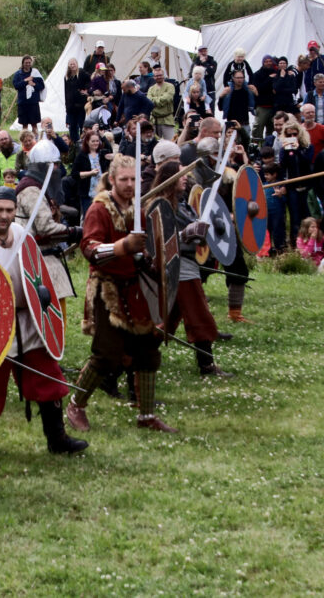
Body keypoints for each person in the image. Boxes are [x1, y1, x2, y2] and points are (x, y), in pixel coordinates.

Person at [0, 187, 87, 454]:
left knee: (49, 376)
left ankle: (57, 439)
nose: (5, 216)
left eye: (9, 210)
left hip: (28, 319)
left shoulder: (21, 234)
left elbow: (36, 276)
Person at [65, 154, 175, 433]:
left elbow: (144, 252)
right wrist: (123, 246)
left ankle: (146, 416)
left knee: (148, 350)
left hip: (133, 286)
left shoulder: (136, 209)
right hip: (107, 287)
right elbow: (89, 248)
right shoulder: (98, 210)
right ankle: (76, 404)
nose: (129, 184)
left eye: (133, 179)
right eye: (123, 179)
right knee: (106, 354)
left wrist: (150, 259)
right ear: (112, 180)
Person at [154, 161, 233, 378]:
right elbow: (158, 243)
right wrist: (185, 235)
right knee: (199, 313)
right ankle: (206, 366)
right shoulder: (160, 206)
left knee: (165, 322)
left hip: (188, 263)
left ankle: (128, 360)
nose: (184, 178)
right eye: (179, 175)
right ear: (168, 178)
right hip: (176, 267)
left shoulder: (183, 204)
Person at [15, 140, 81, 314]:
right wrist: (73, 232)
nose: (58, 169)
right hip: (37, 256)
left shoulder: (38, 186)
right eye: (56, 165)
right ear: (46, 166)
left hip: (45, 252)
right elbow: (45, 227)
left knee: (58, 302)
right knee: (52, 306)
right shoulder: (31, 190)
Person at [73, 131, 103, 216]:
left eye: (97, 141)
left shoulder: (102, 153)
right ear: (87, 142)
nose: (95, 143)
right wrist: (90, 173)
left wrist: (102, 136)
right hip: (87, 193)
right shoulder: (81, 155)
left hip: (102, 192)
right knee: (89, 216)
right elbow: (74, 174)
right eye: (93, 141)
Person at [12, 56, 44, 135]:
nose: (28, 64)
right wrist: (25, 81)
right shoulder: (18, 74)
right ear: (23, 63)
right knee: (24, 125)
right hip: (22, 103)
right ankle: (24, 142)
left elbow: (42, 86)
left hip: (33, 103)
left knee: (34, 125)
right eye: (26, 63)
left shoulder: (35, 73)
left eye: (29, 63)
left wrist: (34, 84)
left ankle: (36, 140)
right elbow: (16, 86)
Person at [219, 69, 255, 136]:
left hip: (244, 123)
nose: (240, 80)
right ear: (233, 78)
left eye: (241, 78)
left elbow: (254, 105)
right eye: (238, 78)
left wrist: (256, 93)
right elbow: (220, 108)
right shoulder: (228, 91)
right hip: (232, 124)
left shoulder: (247, 91)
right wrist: (221, 97)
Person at [250, 55, 279, 140]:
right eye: (266, 61)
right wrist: (269, 79)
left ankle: (269, 147)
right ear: (263, 63)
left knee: (272, 130)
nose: (268, 63)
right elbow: (258, 89)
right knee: (258, 129)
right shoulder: (257, 75)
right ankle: (257, 147)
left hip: (273, 107)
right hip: (262, 106)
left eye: (270, 61)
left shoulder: (276, 73)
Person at [64, 58, 91, 144]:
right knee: (72, 126)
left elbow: (89, 80)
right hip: (71, 105)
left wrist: (86, 90)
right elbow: (66, 91)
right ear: (69, 65)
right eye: (71, 64)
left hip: (80, 104)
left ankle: (82, 142)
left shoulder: (82, 73)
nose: (72, 65)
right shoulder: (67, 77)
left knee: (81, 125)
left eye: (74, 63)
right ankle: (74, 143)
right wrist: (67, 105)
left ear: (77, 64)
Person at [262, 164, 287, 254]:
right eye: (265, 174)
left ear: (274, 174)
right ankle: (268, 250)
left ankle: (279, 249)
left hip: (277, 213)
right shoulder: (264, 185)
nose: (265, 176)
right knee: (267, 232)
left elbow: (285, 200)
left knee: (277, 231)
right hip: (266, 213)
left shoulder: (280, 185)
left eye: (267, 174)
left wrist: (280, 195)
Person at [147, 67, 176, 140]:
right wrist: (160, 100)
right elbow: (148, 101)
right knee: (154, 144)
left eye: (160, 75)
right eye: (156, 76)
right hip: (154, 120)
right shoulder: (151, 89)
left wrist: (155, 101)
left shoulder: (170, 86)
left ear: (163, 75)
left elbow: (167, 98)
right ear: (154, 77)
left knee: (171, 143)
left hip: (167, 120)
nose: (158, 77)